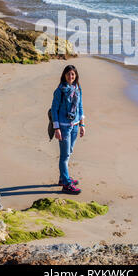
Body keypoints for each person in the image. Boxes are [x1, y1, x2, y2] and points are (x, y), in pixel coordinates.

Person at [51, 65, 85, 194]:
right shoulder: (60, 90)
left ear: (75, 75)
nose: (71, 77)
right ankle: (66, 184)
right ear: (64, 75)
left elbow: (80, 106)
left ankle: (62, 178)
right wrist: (56, 128)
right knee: (65, 156)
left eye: (73, 74)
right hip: (64, 127)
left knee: (69, 152)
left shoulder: (78, 88)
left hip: (75, 125)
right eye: (68, 74)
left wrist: (82, 124)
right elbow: (54, 109)